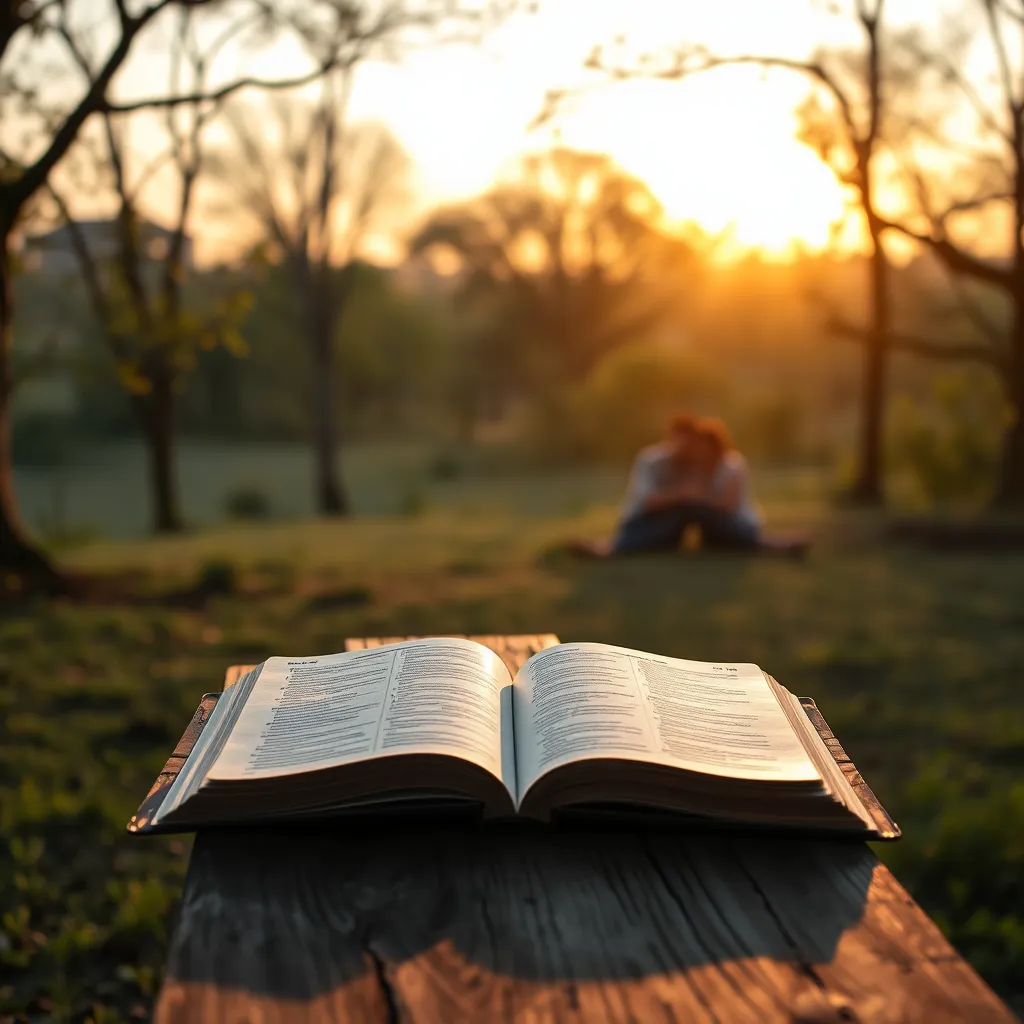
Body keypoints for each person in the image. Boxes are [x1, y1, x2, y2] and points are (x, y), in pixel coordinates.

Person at [610, 416, 763, 554]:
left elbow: (727, 504)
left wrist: (696, 495)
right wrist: (685, 493)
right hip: (640, 521)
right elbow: (648, 502)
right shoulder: (651, 460)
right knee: (687, 511)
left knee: (691, 510)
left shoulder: (729, 465)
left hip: (739, 525)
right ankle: (622, 545)